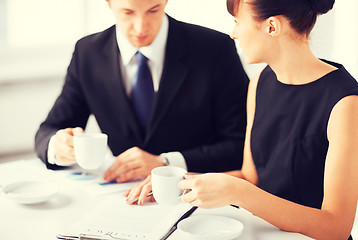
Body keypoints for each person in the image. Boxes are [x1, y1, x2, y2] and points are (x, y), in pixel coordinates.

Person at [127, 0, 358, 239]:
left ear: (271, 27)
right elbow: (250, 177)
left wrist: (242, 193)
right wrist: (180, 181)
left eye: (238, 22)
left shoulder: (345, 101)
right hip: (262, 233)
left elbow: (336, 227)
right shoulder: (259, 83)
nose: (233, 33)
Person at [34, 0, 249, 183]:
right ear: (109, 3)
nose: (140, 28)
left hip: (199, 196)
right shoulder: (87, 53)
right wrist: (58, 146)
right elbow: (48, 131)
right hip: (121, 196)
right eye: (128, 12)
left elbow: (242, 143)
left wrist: (165, 163)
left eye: (153, 10)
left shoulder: (214, 48)